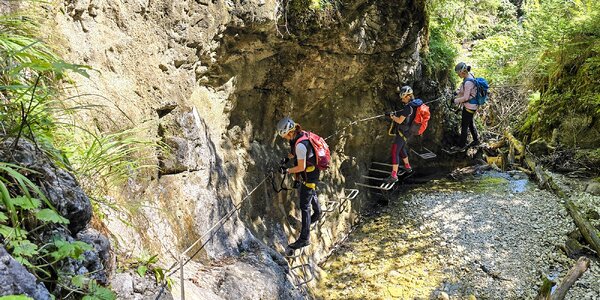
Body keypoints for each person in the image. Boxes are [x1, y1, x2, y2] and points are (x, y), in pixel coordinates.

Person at [276, 117, 322, 250]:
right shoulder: (300, 135)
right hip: (311, 172)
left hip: (310, 175)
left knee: (304, 206)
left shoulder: (301, 145)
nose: (285, 138)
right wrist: (287, 158)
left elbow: (301, 167)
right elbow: (295, 152)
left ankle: (304, 239)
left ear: (289, 132)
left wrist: (287, 171)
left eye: (284, 135)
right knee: (309, 193)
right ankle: (318, 213)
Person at [386, 86, 416, 184]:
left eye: (403, 97)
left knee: (395, 151)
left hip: (403, 132)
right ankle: (407, 166)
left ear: (408, 96)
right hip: (409, 131)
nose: (402, 99)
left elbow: (399, 120)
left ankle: (394, 175)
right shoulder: (414, 104)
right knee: (401, 149)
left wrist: (392, 116)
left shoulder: (408, 107)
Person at [451, 62, 480, 151]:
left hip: (469, 107)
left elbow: (466, 97)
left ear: (462, 72)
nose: (458, 75)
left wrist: (455, 100)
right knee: (470, 122)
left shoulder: (468, 82)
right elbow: (465, 89)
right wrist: (457, 92)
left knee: (464, 126)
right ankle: (476, 140)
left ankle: (461, 146)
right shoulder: (470, 75)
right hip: (473, 105)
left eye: (458, 73)